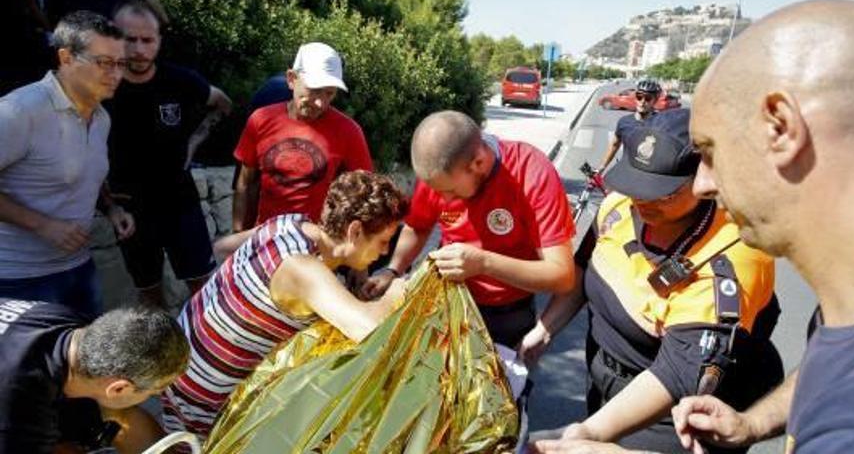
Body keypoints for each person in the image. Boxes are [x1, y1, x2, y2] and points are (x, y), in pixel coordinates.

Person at [668, 0, 854, 454]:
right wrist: (752, 422)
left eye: (709, 151)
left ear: (780, 127)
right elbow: (837, 359)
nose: (702, 184)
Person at [527, 109, 783, 454]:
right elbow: (586, 265)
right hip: (605, 377)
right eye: (636, 186)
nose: (643, 202)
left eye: (663, 194)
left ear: (705, 177)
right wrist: (545, 329)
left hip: (668, 412)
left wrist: (588, 431)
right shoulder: (619, 206)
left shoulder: (733, 257)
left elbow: (676, 373)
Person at [361, 110, 576, 449]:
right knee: (438, 411)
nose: (443, 200)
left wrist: (484, 263)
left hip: (508, 318)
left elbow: (562, 275)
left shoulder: (530, 173)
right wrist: (393, 269)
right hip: (450, 307)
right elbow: (418, 226)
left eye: (448, 192)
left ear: (478, 162)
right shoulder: (441, 174)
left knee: (495, 420)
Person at [162, 170, 409, 440]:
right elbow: (369, 329)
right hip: (205, 389)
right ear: (355, 231)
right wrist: (397, 289)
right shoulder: (303, 269)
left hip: (178, 356)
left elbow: (224, 247)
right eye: (383, 242)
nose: (384, 253)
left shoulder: (288, 223)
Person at [0, 10, 134, 318]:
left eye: (121, 64)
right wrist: (42, 225)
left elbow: (87, 171)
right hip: (16, 280)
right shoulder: (20, 111)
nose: (116, 74)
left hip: (78, 270)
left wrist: (111, 207)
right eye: (104, 63)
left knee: (83, 365)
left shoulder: (101, 117)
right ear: (66, 57)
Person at [106, 0, 232, 307]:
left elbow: (222, 102)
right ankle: (162, 352)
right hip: (129, 207)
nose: (138, 49)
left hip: (179, 200)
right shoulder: (103, 87)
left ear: (159, 41)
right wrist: (109, 206)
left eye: (147, 40)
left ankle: (207, 350)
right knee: (149, 293)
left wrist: (195, 139)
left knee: (204, 288)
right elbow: (85, 152)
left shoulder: (180, 80)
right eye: (128, 39)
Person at [0, 298, 190, 453]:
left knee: (113, 413)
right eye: (155, 392)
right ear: (118, 388)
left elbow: (120, 416)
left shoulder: (75, 329)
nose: (158, 395)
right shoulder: (17, 408)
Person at [232, 42, 373, 232]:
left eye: (329, 93)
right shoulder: (260, 120)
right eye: (314, 89)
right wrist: (240, 235)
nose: (320, 102)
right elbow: (246, 183)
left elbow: (363, 192)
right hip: (265, 240)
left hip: (316, 248)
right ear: (292, 79)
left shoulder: (349, 132)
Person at [597, 79, 662, 174]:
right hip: (626, 171)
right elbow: (615, 145)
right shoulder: (624, 122)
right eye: (639, 97)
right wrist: (601, 168)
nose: (642, 102)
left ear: (655, 101)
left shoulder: (661, 122)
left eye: (648, 98)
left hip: (648, 175)